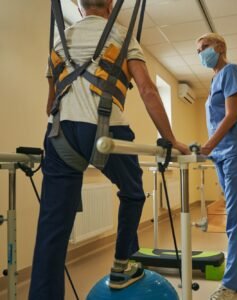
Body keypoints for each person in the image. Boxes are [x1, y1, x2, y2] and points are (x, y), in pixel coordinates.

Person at [28, 0, 189, 299]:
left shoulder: (60, 43)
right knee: (133, 192)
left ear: (79, 7)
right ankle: (121, 263)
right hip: (106, 130)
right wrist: (171, 138)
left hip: (59, 134)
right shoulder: (121, 36)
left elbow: (50, 105)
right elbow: (147, 90)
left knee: (52, 228)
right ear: (111, 5)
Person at [195, 33, 237, 300]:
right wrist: (212, 149)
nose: (201, 53)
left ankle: (232, 286)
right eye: (198, 50)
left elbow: (231, 114)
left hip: (235, 149)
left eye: (204, 48)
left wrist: (208, 145)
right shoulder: (214, 80)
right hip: (222, 154)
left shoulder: (231, 70)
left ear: (220, 47)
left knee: (234, 219)